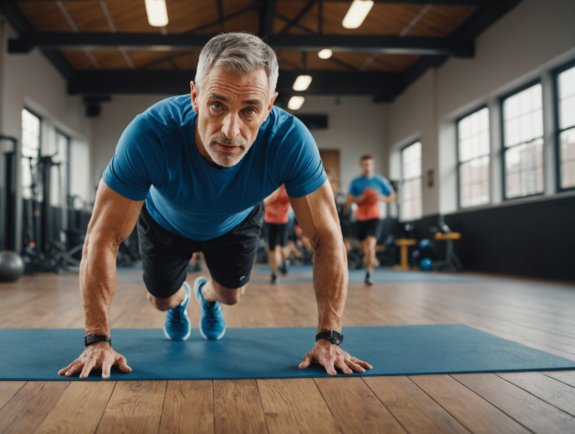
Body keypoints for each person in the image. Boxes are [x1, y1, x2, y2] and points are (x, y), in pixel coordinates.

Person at [58, 33, 372, 380]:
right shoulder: (149, 134)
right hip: (164, 222)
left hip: (234, 222)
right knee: (162, 300)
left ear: (269, 106)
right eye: (217, 105)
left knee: (231, 296)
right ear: (195, 96)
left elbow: (327, 238)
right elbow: (101, 238)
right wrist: (97, 340)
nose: (230, 130)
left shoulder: (290, 142)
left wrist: (329, 338)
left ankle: (206, 296)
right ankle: (179, 302)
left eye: (250, 109)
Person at [346, 155, 396, 285]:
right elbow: (349, 199)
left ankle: (368, 274)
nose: (367, 167)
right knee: (365, 249)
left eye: (369, 164)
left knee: (370, 245)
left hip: (375, 216)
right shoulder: (355, 182)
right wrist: (361, 197)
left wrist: (381, 198)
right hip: (360, 217)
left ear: (373, 165)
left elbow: (392, 196)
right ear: (361, 166)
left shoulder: (380, 181)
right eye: (364, 165)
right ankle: (371, 259)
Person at [263, 185, 291, 284]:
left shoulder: (288, 185)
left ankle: (284, 262)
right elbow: (265, 202)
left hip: (283, 222)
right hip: (269, 222)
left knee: (283, 250)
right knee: (272, 251)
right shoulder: (272, 185)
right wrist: (278, 190)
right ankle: (274, 275)